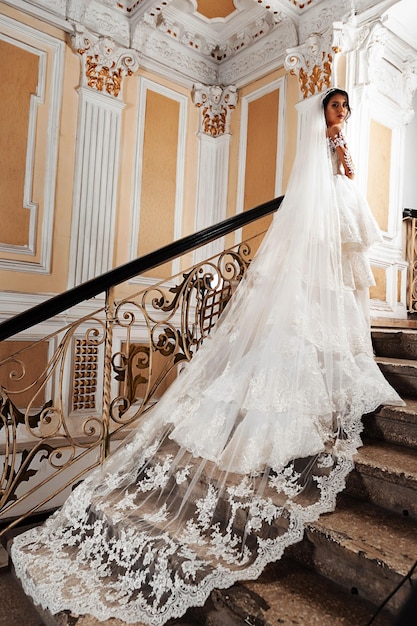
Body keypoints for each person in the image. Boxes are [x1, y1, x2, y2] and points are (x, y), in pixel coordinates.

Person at [11, 88, 404, 626]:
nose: (343, 116)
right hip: (320, 217)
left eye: (346, 109)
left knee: (335, 286)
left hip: (334, 208)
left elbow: (350, 176)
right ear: (324, 113)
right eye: (337, 108)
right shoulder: (319, 149)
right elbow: (334, 178)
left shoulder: (334, 149)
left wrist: (343, 155)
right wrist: (337, 151)